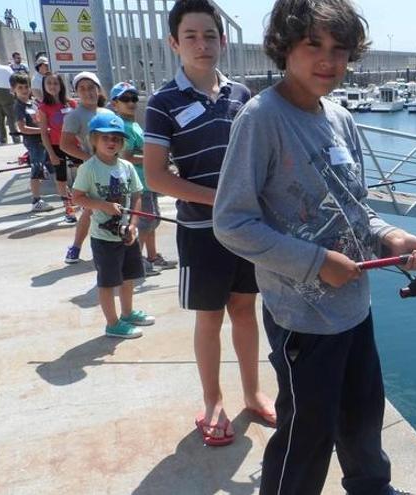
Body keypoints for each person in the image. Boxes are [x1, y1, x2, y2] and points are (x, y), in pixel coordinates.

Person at [213, 0, 416, 492]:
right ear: (284, 46)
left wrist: (392, 236)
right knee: (306, 435)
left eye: (340, 49)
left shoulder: (341, 118)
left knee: (363, 416)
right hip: (302, 319)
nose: (328, 60)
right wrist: (316, 263)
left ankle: (372, 488)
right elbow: (231, 223)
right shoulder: (261, 118)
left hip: (355, 309)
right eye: (313, 44)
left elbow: (358, 208)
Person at [143, 0, 276, 446]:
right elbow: (156, 176)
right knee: (210, 316)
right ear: (173, 43)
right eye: (191, 36)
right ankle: (213, 402)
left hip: (247, 230)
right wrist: (221, 200)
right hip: (201, 232)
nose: (202, 44)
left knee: (245, 310)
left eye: (210, 35)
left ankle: (253, 393)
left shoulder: (242, 95)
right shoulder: (163, 103)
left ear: (222, 40)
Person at [72, 111, 154, 338]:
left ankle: (127, 314)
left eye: (117, 138)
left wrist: (134, 225)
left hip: (127, 234)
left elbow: (136, 195)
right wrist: (102, 205)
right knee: (108, 283)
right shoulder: (88, 168)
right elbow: (77, 197)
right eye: (106, 137)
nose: (112, 142)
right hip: (104, 238)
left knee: (128, 278)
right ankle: (112, 323)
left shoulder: (126, 166)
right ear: (94, 139)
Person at [109, 81, 177, 275]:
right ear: (115, 104)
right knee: (144, 223)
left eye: (133, 98)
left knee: (151, 221)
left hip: (146, 182)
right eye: (125, 99)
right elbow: (127, 156)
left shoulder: (133, 124)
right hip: (138, 183)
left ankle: (152, 257)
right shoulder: (123, 127)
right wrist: (155, 159)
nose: (131, 102)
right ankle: (136, 262)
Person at [61, 71, 106, 263]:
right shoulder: (74, 116)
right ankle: (76, 247)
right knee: (90, 210)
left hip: (113, 169)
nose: (88, 92)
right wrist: (90, 159)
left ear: (98, 89)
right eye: (82, 88)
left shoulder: (108, 113)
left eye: (91, 87)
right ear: (77, 92)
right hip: (93, 171)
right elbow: (65, 145)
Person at [11, 72, 54, 213]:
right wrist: (43, 130)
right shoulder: (19, 106)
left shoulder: (33, 103)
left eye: (26, 87)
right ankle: (36, 201)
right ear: (13, 89)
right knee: (37, 170)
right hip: (34, 143)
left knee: (51, 168)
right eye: (20, 87)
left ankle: (66, 194)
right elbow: (23, 128)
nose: (24, 90)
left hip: (43, 141)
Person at [39, 72, 79, 223]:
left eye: (55, 83)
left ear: (61, 86)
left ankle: (83, 201)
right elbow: (44, 133)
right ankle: (68, 209)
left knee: (83, 172)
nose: (52, 86)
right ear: (44, 86)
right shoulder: (43, 108)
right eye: (49, 83)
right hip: (57, 146)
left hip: (74, 144)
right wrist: (51, 154)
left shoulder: (72, 104)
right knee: (61, 178)